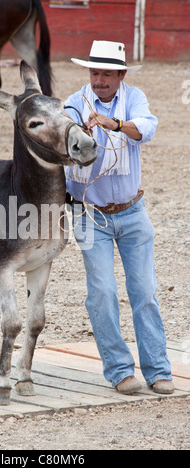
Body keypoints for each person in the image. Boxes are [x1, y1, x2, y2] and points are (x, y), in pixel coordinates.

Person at [65, 40, 174, 395]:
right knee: (102, 292)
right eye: (94, 73)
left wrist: (113, 124)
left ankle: (157, 370)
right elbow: (60, 136)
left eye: (106, 74)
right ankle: (119, 370)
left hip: (132, 212)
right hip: (88, 214)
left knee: (145, 292)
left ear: (121, 75)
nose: (98, 80)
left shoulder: (135, 98)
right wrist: (81, 129)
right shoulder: (74, 103)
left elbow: (147, 128)